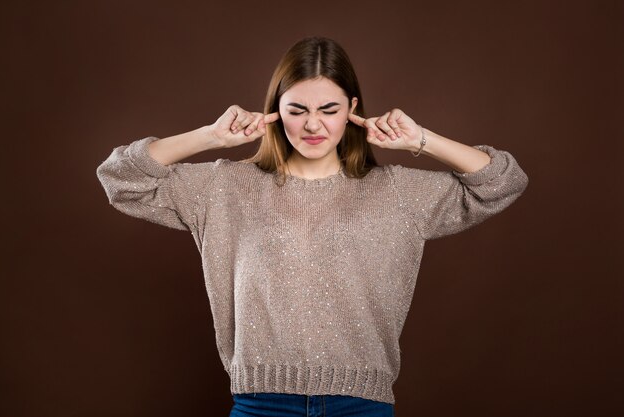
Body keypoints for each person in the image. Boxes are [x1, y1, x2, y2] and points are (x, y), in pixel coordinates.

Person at [96, 36, 528, 417]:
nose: (313, 124)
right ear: (276, 112)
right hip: (260, 403)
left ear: (352, 110)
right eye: (297, 110)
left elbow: (503, 182)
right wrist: (209, 137)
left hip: (363, 405)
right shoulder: (223, 187)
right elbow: (120, 179)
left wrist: (420, 139)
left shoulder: (398, 192)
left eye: (329, 109)